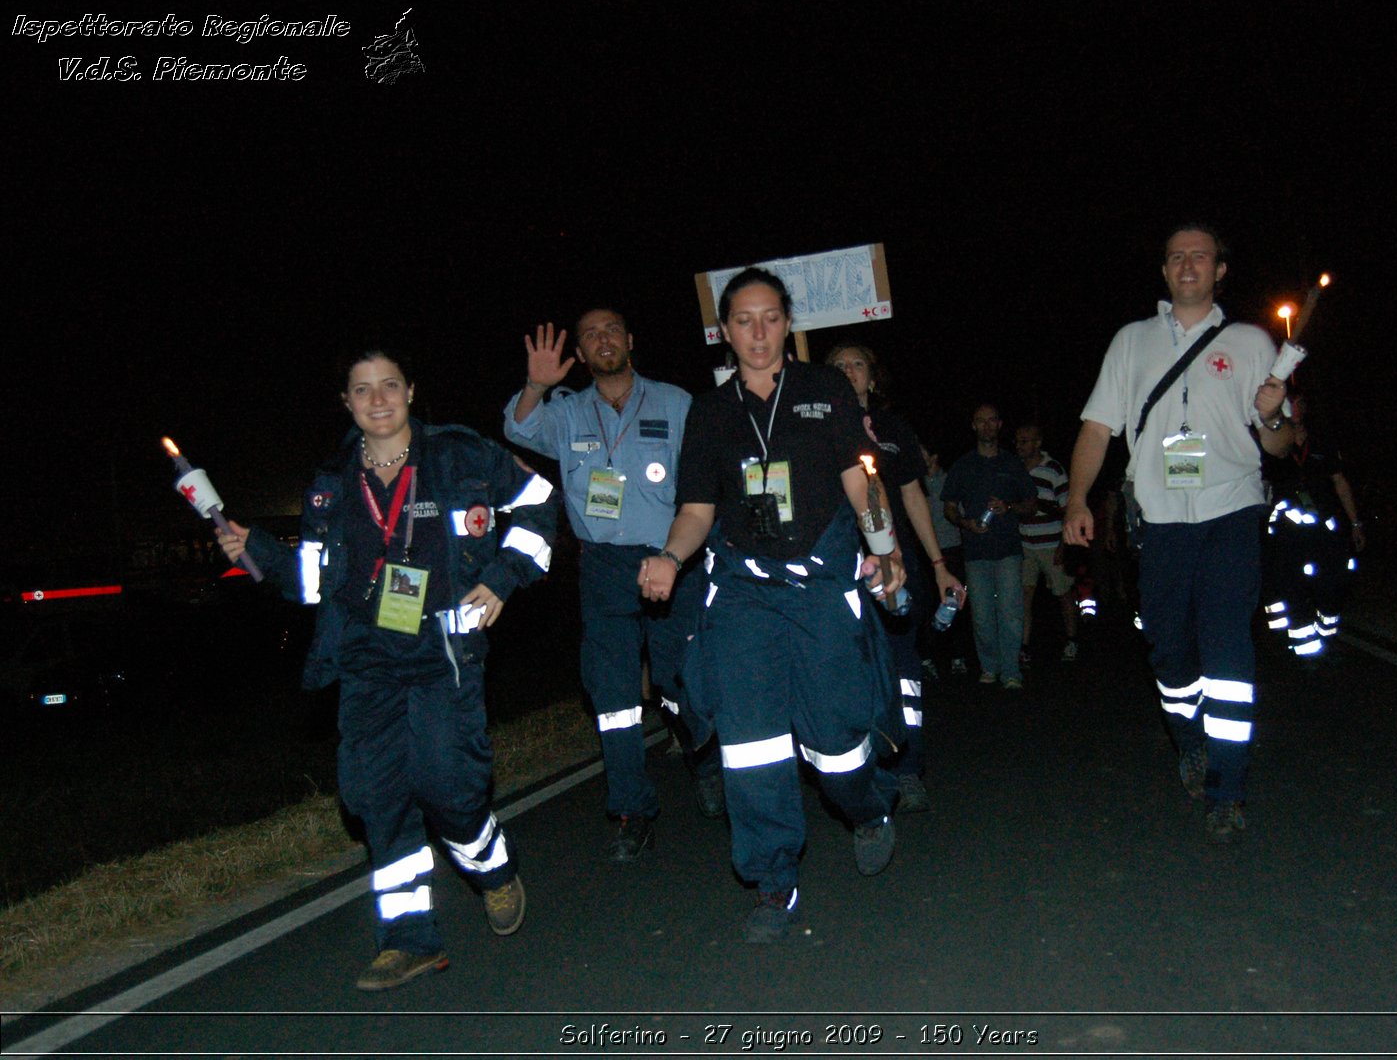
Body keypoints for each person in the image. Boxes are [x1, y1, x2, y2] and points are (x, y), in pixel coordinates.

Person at [217, 349, 558, 989]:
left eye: (389, 386)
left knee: (448, 786)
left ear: (410, 391)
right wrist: (254, 550)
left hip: (444, 653)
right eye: (362, 390)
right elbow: (317, 582)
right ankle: (408, 940)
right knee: (377, 798)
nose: (377, 400)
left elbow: (541, 503)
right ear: (346, 403)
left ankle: (490, 864)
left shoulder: (461, 454)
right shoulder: (329, 483)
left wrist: (504, 577)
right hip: (368, 659)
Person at [636, 267, 906, 943]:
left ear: (788, 323)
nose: (758, 333)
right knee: (750, 744)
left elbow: (860, 476)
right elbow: (698, 508)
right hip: (744, 594)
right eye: (744, 321)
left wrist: (887, 546)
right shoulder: (711, 411)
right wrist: (671, 557)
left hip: (820, 586)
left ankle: (866, 808)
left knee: (837, 739)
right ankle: (771, 878)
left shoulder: (824, 389)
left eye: (771, 318)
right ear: (724, 332)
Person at [1062, 224, 1293, 844]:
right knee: (1167, 647)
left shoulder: (1250, 342)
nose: (1188, 264)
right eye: (1176, 257)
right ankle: (1190, 738)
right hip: (1159, 519)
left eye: (1201, 256)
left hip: (1232, 510)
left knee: (1226, 643)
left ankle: (1229, 785)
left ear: (1221, 269)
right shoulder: (1132, 342)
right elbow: (1096, 428)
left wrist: (1272, 414)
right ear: (1164, 272)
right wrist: (1077, 498)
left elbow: (1279, 443)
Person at [503, 308, 723, 862]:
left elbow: (705, 483)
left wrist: (683, 553)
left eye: (612, 331)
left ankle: (706, 757)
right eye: (590, 335)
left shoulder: (676, 404)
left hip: (672, 560)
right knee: (613, 695)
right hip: (602, 566)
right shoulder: (567, 412)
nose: (603, 340)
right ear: (579, 350)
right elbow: (518, 427)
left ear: (631, 339)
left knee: (680, 678)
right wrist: (535, 383)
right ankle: (631, 808)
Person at [825, 342, 964, 813]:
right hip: (840, 571)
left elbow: (913, 497)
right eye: (838, 366)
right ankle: (866, 774)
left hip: (898, 568)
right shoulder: (815, 429)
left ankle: (908, 768)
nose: (848, 371)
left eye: (857, 364)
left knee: (904, 672)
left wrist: (940, 566)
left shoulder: (892, 428)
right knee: (852, 675)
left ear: (873, 377)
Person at [1261, 391, 1365, 658]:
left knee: (1334, 579)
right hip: (1286, 529)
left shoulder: (1322, 442)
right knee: (1289, 583)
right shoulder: (1272, 444)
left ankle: (1327, 629)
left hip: (1324, 526)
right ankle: (1305, 647)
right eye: (1291, 404)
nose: (1296, 409)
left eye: (1300, 404)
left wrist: (1355, 523)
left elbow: (1340, 482)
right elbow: (1261, 485)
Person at [941, 404, 1037, 690]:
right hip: (975, 551)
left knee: (1010, 612)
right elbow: (948, 507)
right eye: (980, 421)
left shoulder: (1011, 464)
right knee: (981, 615)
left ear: (999, 424)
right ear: (973, 425)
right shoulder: (963, 465)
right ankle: (988, 666)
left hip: (1008, 549)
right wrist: (965, 522)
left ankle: (1011, 671)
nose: (986, 426)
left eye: (991, 421)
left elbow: (1031, 504)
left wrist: (1009, 507)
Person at [1013, 423, 1080, 664]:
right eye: (1018, 441)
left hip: (1051, 542)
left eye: (1025, 441)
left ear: (1037, 442)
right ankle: (1024, 646)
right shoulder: (1016, 469)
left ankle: (1072, 641)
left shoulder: (1053, 469)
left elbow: (1067, 509)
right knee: (1024, 595)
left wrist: (1064, 546)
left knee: (1063, 593)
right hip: (1025, 544)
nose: (1020, 446)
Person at [922, 442, 975, 677]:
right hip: (925, 553)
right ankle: (927, 657)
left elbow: (961, 512)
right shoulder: (915, 484)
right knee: (925, 605)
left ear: (934, 457)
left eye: (922, 454)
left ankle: (958, 655)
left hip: (952, 550)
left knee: (954, 604)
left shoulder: (949, 481)